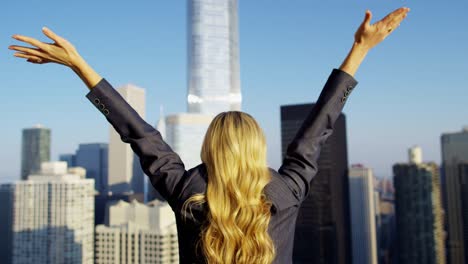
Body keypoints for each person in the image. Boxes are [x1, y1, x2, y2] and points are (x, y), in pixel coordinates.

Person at [8, 6, 409, 264]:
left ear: (209, 147)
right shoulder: (286, 193)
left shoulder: (188, 195)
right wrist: (359, 50)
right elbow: (319, 128)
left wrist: (79, 65)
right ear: (257, 147)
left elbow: (138, 133)